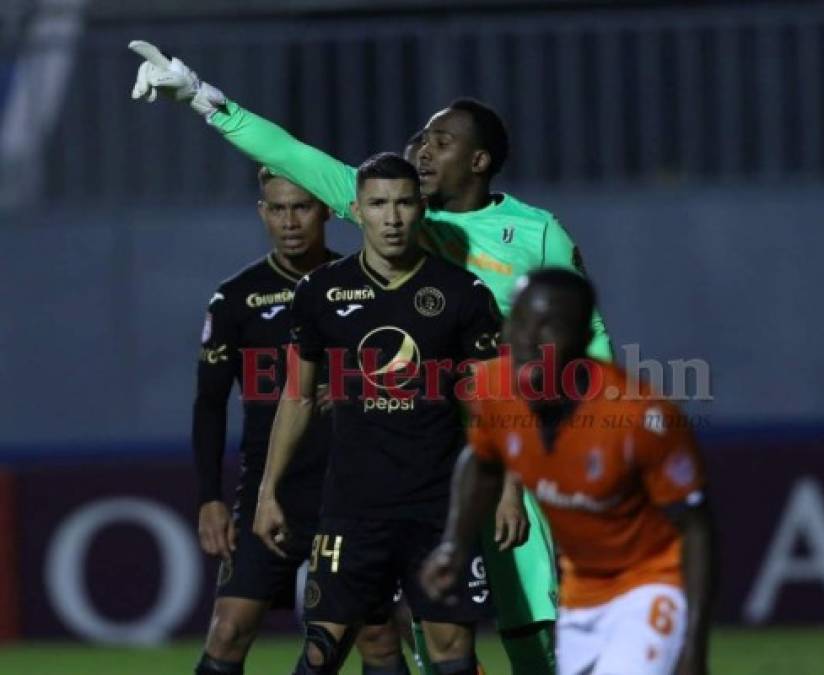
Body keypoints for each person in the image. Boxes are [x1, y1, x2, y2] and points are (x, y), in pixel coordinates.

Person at [127, 41, 604, 673]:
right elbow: (296, 156)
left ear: (480, 160)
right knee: (432, 639)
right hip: (422, 459)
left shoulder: (537, 233)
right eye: (420, 137)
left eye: (442, 140)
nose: (423, 148)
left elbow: (589, 339)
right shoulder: (398, 213)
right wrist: (204, 100)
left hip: (505, 449)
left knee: (531, 620)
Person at [252, 152, 508, 675]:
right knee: (320, 656)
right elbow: (297, 397)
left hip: (440, 509)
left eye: (404, 203)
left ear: (421, 210)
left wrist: (509, 492)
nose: (392, 218)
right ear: (356, 210)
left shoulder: (463, 293)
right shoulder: (319, 292)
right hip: (352, 508)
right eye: (378, 204)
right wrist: (267, 492)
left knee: (452, 657)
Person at [421, 268, 715, 675]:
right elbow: (481, 462)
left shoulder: (638, 417)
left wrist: (693, 644)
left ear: (581, 340)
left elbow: (697, 527)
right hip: (582, 591)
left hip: (650, 585)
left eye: (549, 329)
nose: (527, 341)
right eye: (519, 322)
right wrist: (454, 543)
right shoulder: (495, 390)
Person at [192, 168, 402, 675]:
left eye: (302, 208)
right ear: (263, 213)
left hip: (351, 494)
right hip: (272, 494)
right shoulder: (236, 298)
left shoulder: (364, 285)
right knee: (228, 630)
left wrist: (353, 385)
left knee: (376, 636)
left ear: (327, 211)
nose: (290, 222)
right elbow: (209, 404)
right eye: (278, 209)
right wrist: (209, 498)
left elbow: (411, 372)